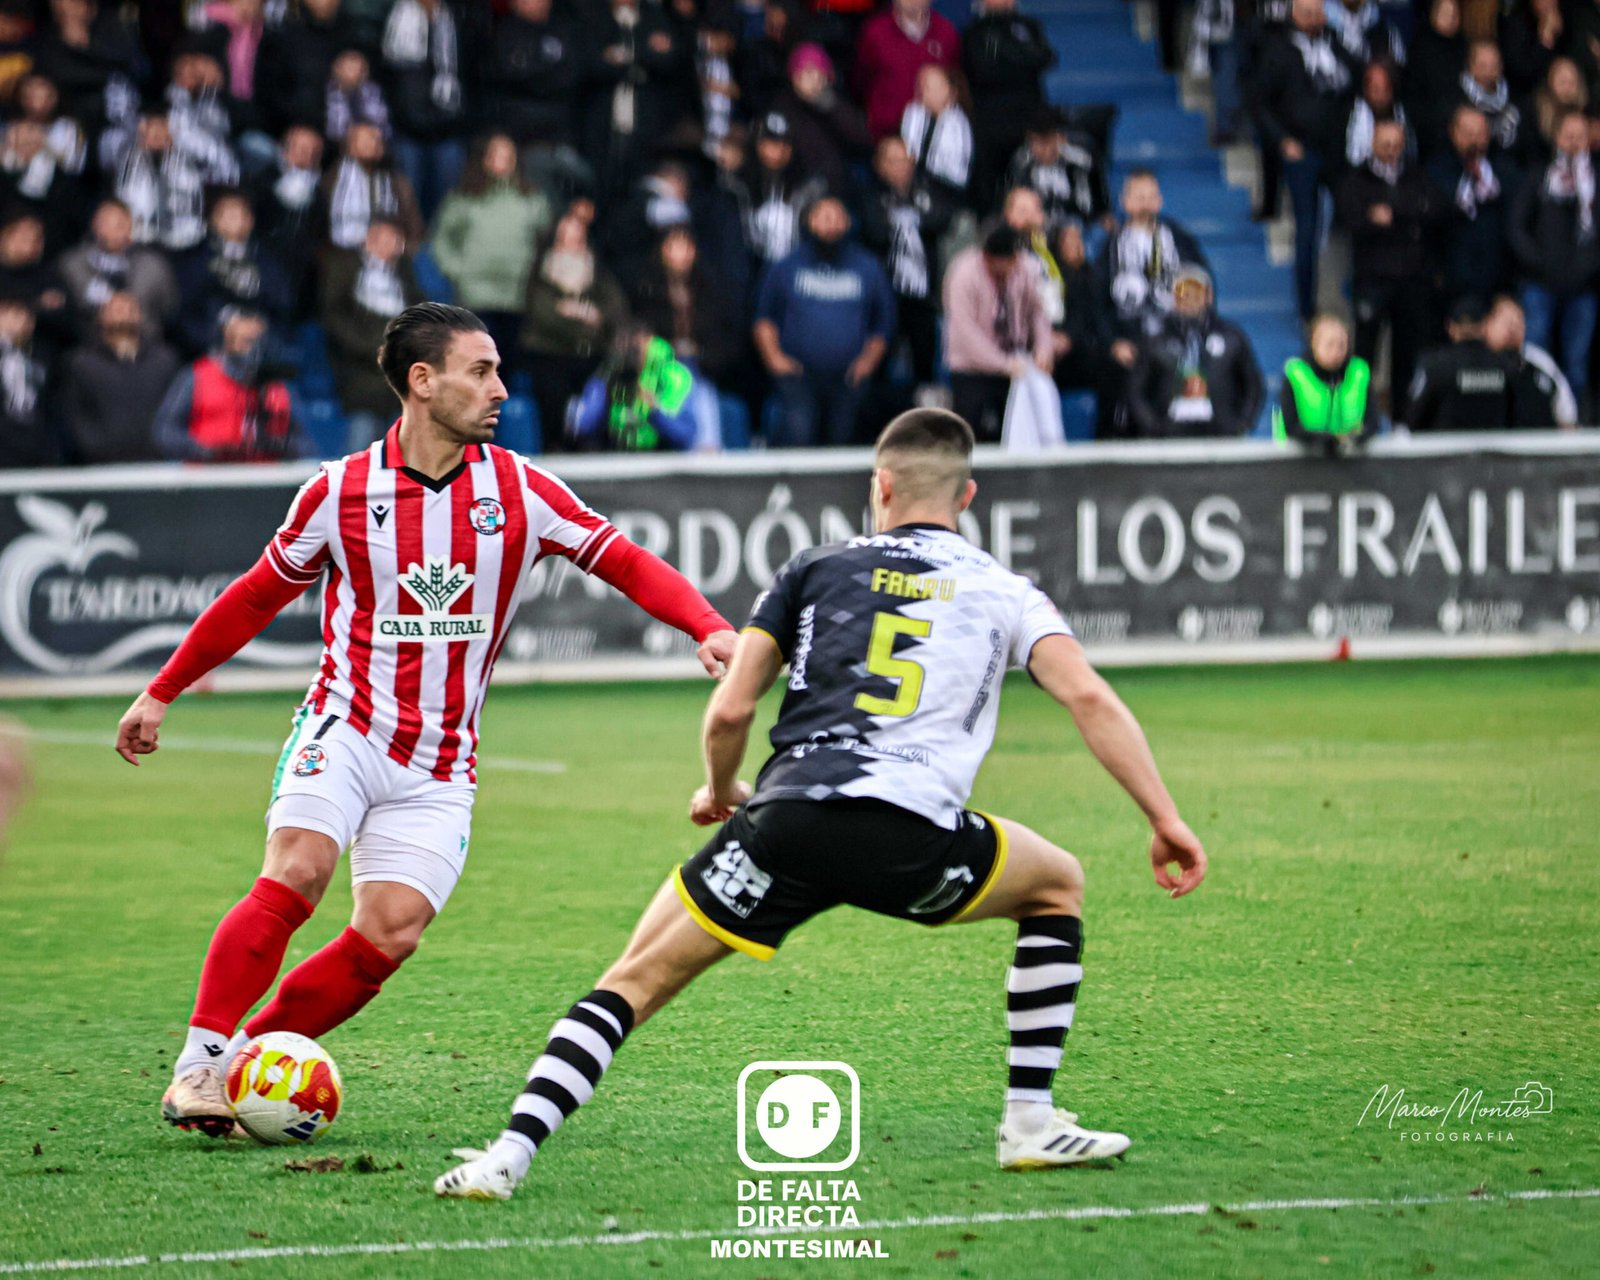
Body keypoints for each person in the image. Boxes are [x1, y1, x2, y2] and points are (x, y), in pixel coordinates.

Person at [434, 407, 1208, 1201]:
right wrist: (1164, 819)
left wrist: (724, 789)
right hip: (915, 840)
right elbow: (1088, 698)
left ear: (879, 485)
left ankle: (508, 1154)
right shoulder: (1008, 592)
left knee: (630, 982)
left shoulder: (814, 567)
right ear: (967, 496)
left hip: (785, 825)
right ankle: (1030, 1121)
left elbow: (731, 711)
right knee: (1058, 884)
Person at [121, 301, 738, 1138]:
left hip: (442, 762)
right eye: (480, 371)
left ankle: (245, 1061)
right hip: (345, 727)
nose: (500, 389)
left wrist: (707, 626)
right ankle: (196, 1068)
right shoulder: (340, 491)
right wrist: (163, 689)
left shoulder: (519, 488)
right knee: (297, 871)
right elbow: (258, 593)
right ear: (423, 380)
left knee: (392, 933)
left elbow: (622, 559)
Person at [753, 195, 895, 446]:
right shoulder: (786, 266)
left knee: (843, 438)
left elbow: (883, 322)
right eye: (823, 217)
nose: (831, 224)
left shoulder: (868, 267)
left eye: (837, 217)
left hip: (848, 377)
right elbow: (764, 317)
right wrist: (775, 358)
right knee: (799, 435)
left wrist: (867, 362)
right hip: (799, 375)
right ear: (808, 222)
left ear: (848, 222)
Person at [1253, 0, 1360, 320]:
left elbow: (1358, 76)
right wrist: (1283, 141)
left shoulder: (1335, 44)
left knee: (1355, 218)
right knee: (1307, 229)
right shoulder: (1277, 51)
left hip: (1338, 150)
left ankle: (1357, 291)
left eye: (1320, 11)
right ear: (1294, 16)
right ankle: (1306, 308)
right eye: (1310, 12)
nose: (1318, 17)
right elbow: (1259, 104)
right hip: (1302, 152)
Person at [1337, 119, 1437, 415]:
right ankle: (1358, 414)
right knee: (1364, 353)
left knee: (1406, 352)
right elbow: (1352, 221)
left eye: (1396, 144)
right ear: (1372, 144)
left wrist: (1392, 214)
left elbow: (1432, 209)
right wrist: (1404, 219)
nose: (1391, 150)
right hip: (1372, 279)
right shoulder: (1355, 180)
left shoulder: (1416, 174)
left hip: (1410, 280)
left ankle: (1402, 416)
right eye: (1385, 144)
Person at [429, 133, 552, 363]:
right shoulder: (465, 197)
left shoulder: (532, 200)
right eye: (496, 154)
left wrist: (534, 271)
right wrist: (458, 270)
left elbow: (548, 239)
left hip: (517, 296)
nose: (502, 160)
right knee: (477, 364)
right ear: (484, 158)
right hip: (475, 295)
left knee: (505, 368)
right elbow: (441, 239)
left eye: (508, 154)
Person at [521, 200, 630, 450]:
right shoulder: (541, 273)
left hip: (592, 354)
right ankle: (557, 443)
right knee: (552, 388)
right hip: (549, 352)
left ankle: (598, 442)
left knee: (612, 379)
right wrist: (586, 319)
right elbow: (544, 315)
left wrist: (586, 316)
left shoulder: (598, 274)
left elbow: (615, 310)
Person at [1508, 109, 1599, 407]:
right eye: (1568, 135)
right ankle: (1534, 413)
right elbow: (1517, 225)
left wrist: (1588, 266)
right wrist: (1538, 261)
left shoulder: (1595, 180)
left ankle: (1577, 421)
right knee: (1535, 356)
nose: (1573, 142)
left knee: (1578, 359)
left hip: (1584, 286)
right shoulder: (1539, 176)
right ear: (1556, 137)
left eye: (1580, 136)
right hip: (1539, 282)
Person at [859, 133, 957, 389]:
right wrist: (911, 218)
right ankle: (879, 422)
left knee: (925, 366)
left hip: (922, 295)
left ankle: (922, 420)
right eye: (891, 160)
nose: (899, 166)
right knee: (880, 367)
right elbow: (874, 231)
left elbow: (943, 219)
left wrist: (905, 216)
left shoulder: (927, 189)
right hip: (886, 293)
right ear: (879, 164)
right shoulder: (870, 195)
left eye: (903, 159)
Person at [322, 216, 426, 450]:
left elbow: (421, 312)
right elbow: (334, 316)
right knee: (362, 440)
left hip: (401, 376)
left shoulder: (405, 272)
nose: (390, 245)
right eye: (383, 238)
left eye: (395, 239)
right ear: (367, 240)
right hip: (361, 371)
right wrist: (373, 348)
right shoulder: (346, 270)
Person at [151, 308, 306, 463]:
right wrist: (205, 450)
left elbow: (304, 444)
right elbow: (165, 432)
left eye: (257, 342)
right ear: (226, 338)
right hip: (208, 478)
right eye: (245, 341)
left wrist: (278, 445)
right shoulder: (196, 376)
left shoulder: (279, 386)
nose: (253, 350)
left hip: (264, 479)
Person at [943, 225, 1053, 441]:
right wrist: (1002, 364)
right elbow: (964, 331)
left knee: (1017, 432)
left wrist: (1043, 348)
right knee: (969, 435)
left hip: (1015, 366)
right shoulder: (963, 273)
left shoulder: (1025, 268)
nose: (1013, 266)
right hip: (971, 368)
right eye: (1008, 262)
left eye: (1015, 260)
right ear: (989, 258)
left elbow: (1038, 313)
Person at [1127, 266, 1264, 437]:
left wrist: (1241, 424)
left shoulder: (1232, 337)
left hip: (1222, 436)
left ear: (1209, 296)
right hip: (1170, 439)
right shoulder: (1155, 342)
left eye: (1195, 291)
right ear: (1173, 298)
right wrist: (1155, 427)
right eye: (1182, 292)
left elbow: (1253, 385)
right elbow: (1137, 391)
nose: (1188, 298)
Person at [60, 292, 180, 464]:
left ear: (139, 315)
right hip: (101, 465)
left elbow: (175, 410)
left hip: (157, 461)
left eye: (129, 309)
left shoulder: (164, 360)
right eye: (115, 309)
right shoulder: (80, 364)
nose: (123, 313)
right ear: (101, 316)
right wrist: (94, 450)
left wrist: (163, 444)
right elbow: (74, 413)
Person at [173, 189, 292, 358]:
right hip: (212, 343)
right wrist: (223, 329)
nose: (237, 221)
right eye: (229, 215)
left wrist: (259, 325)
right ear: (213, 220)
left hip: (262, 342)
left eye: (242, 215)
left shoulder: (267, 261)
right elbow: (186, 315)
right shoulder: (196, 260)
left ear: (251, 220)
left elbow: (281, 306)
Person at [379, 0, 469, 220]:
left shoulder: (458, 17)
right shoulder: (395, 16)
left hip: (449, 130)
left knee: (448, 208)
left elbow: (470, 71)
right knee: (408, 208)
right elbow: (387, 77)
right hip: (407, 131)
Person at [963, 0, 1056, 206]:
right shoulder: (973, 32)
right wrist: (1019, 56)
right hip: (990, 126)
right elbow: (982, 71)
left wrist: (1004, 55)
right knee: (991, 191)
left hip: (1027, 122)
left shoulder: (1029, 25)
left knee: (1031, 184)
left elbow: (1045, 57)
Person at [569, 324, 710, 451]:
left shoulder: (674, 376)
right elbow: (582, 427)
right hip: (613, 463)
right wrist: (605, 394)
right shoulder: (607, 376)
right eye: (625, 350)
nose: (631, 357)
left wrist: (654, 409)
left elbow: (686, 436)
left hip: (663, 464)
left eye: (637, 350)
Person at [1427, 106, 1517, 305]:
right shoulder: (1437, 170)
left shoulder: (1505, 169)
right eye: (1468, 133)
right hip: (1453, 276)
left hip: (1498, 277)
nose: (1474, 140)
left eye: (1480, 133)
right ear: (1453, 132)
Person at [56, 198, 179, 343]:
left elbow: (169, 308)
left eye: (119, 224)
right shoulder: (72, 263)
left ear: (131, 225)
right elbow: (68, 307)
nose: (111, 230)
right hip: (90, 346)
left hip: (146, 345)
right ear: (94, 225)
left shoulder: (153, 265)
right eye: (105, 223)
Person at [853, 0, 962, 141]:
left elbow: (956, 81)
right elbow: (860, 80)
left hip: (935, 136)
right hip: (887, 135)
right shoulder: (874, 32)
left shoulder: (947, 32)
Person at [775, 42, 872, 198]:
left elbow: (862, 140)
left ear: (826, 77)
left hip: (837, 190)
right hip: (795, 191)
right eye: (803, 72)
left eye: (814, 72)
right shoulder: (781, 107)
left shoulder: (836, 103)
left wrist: (825, 103)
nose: (809, 78)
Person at [1272, 312, 1380, 451]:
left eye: (1342, 345)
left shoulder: (1360, 373)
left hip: (1350, 463)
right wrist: (1325, 440)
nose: (1336, 351)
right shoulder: (1295, 374)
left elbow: (1373, 422)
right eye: (1329, 345)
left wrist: (1356, 438)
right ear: (1314, 344)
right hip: (1300, 462)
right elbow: (1291, 425)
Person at [1405, 298, 1519, 428]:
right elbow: (1516, 415)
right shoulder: (1506, 366)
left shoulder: (1435, 365)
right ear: (1485, 325)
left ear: (1450, 327)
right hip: (1493, 446)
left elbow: (1414, 414)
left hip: (1444, 446)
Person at [319, 121, 426, 253]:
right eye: (366, 139)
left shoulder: (400, 185)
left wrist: (399, 246)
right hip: (340, 259)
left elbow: (417, 235)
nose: (374, 143)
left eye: (377, 139)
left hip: (392, 258)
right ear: (349, 147)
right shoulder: (330, 183)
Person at [1005, 106, 1110, 230]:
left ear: (1059, 138)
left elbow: (1087, 205)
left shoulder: (1081, 160)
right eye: (1033, 142)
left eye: (1045, 142)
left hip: (1076, 223)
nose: (1039, 149)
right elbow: (1018, 199)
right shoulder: (1022, 162)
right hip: (1035, 224)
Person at [900, 62, 972, 204]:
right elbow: (907, 148)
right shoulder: (913, 112)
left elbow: (955, 172)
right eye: (920, 84)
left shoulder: (958, 124)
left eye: (929, 85)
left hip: (947, 187)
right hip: (913, 181)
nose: (922, 89)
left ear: (949, 90)